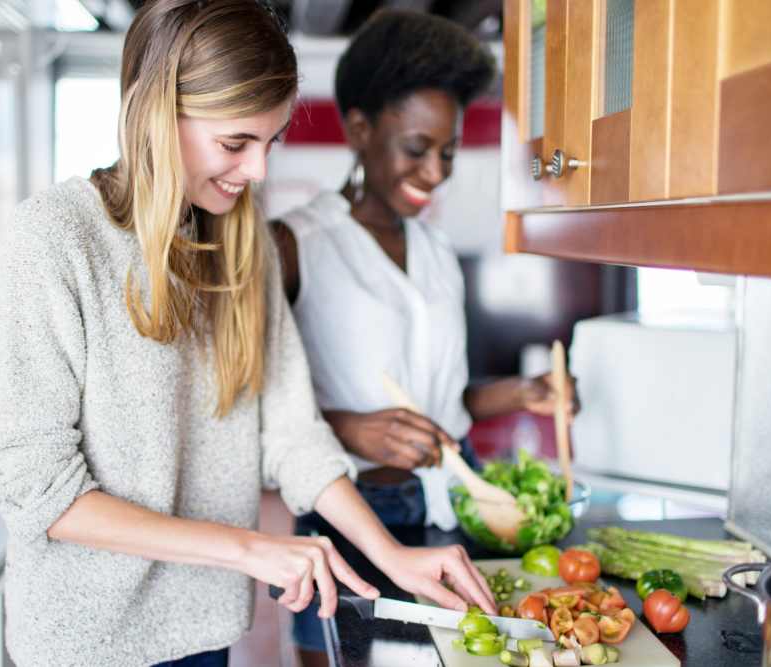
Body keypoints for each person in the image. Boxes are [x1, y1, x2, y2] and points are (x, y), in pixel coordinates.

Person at [0, 2, 495, 666]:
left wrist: (393, 554)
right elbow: (34, 486)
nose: (258, 172)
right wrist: (250, 546)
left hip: (203, 628)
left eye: (270, 143)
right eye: (236, 143)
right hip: (85, 642)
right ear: (157, 113)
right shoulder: (54, 238)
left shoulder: (243, 249)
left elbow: (292, 431)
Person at [270, 10, 577, 665]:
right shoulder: (295, 244)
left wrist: (526, 392)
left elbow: (445, 396)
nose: (436, 172)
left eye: (448, 152)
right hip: (348, 511)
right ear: (359, 128)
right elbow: (252, 410)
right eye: (417, 148)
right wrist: (350, 427)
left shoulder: (437, 251)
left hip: (444, 502)